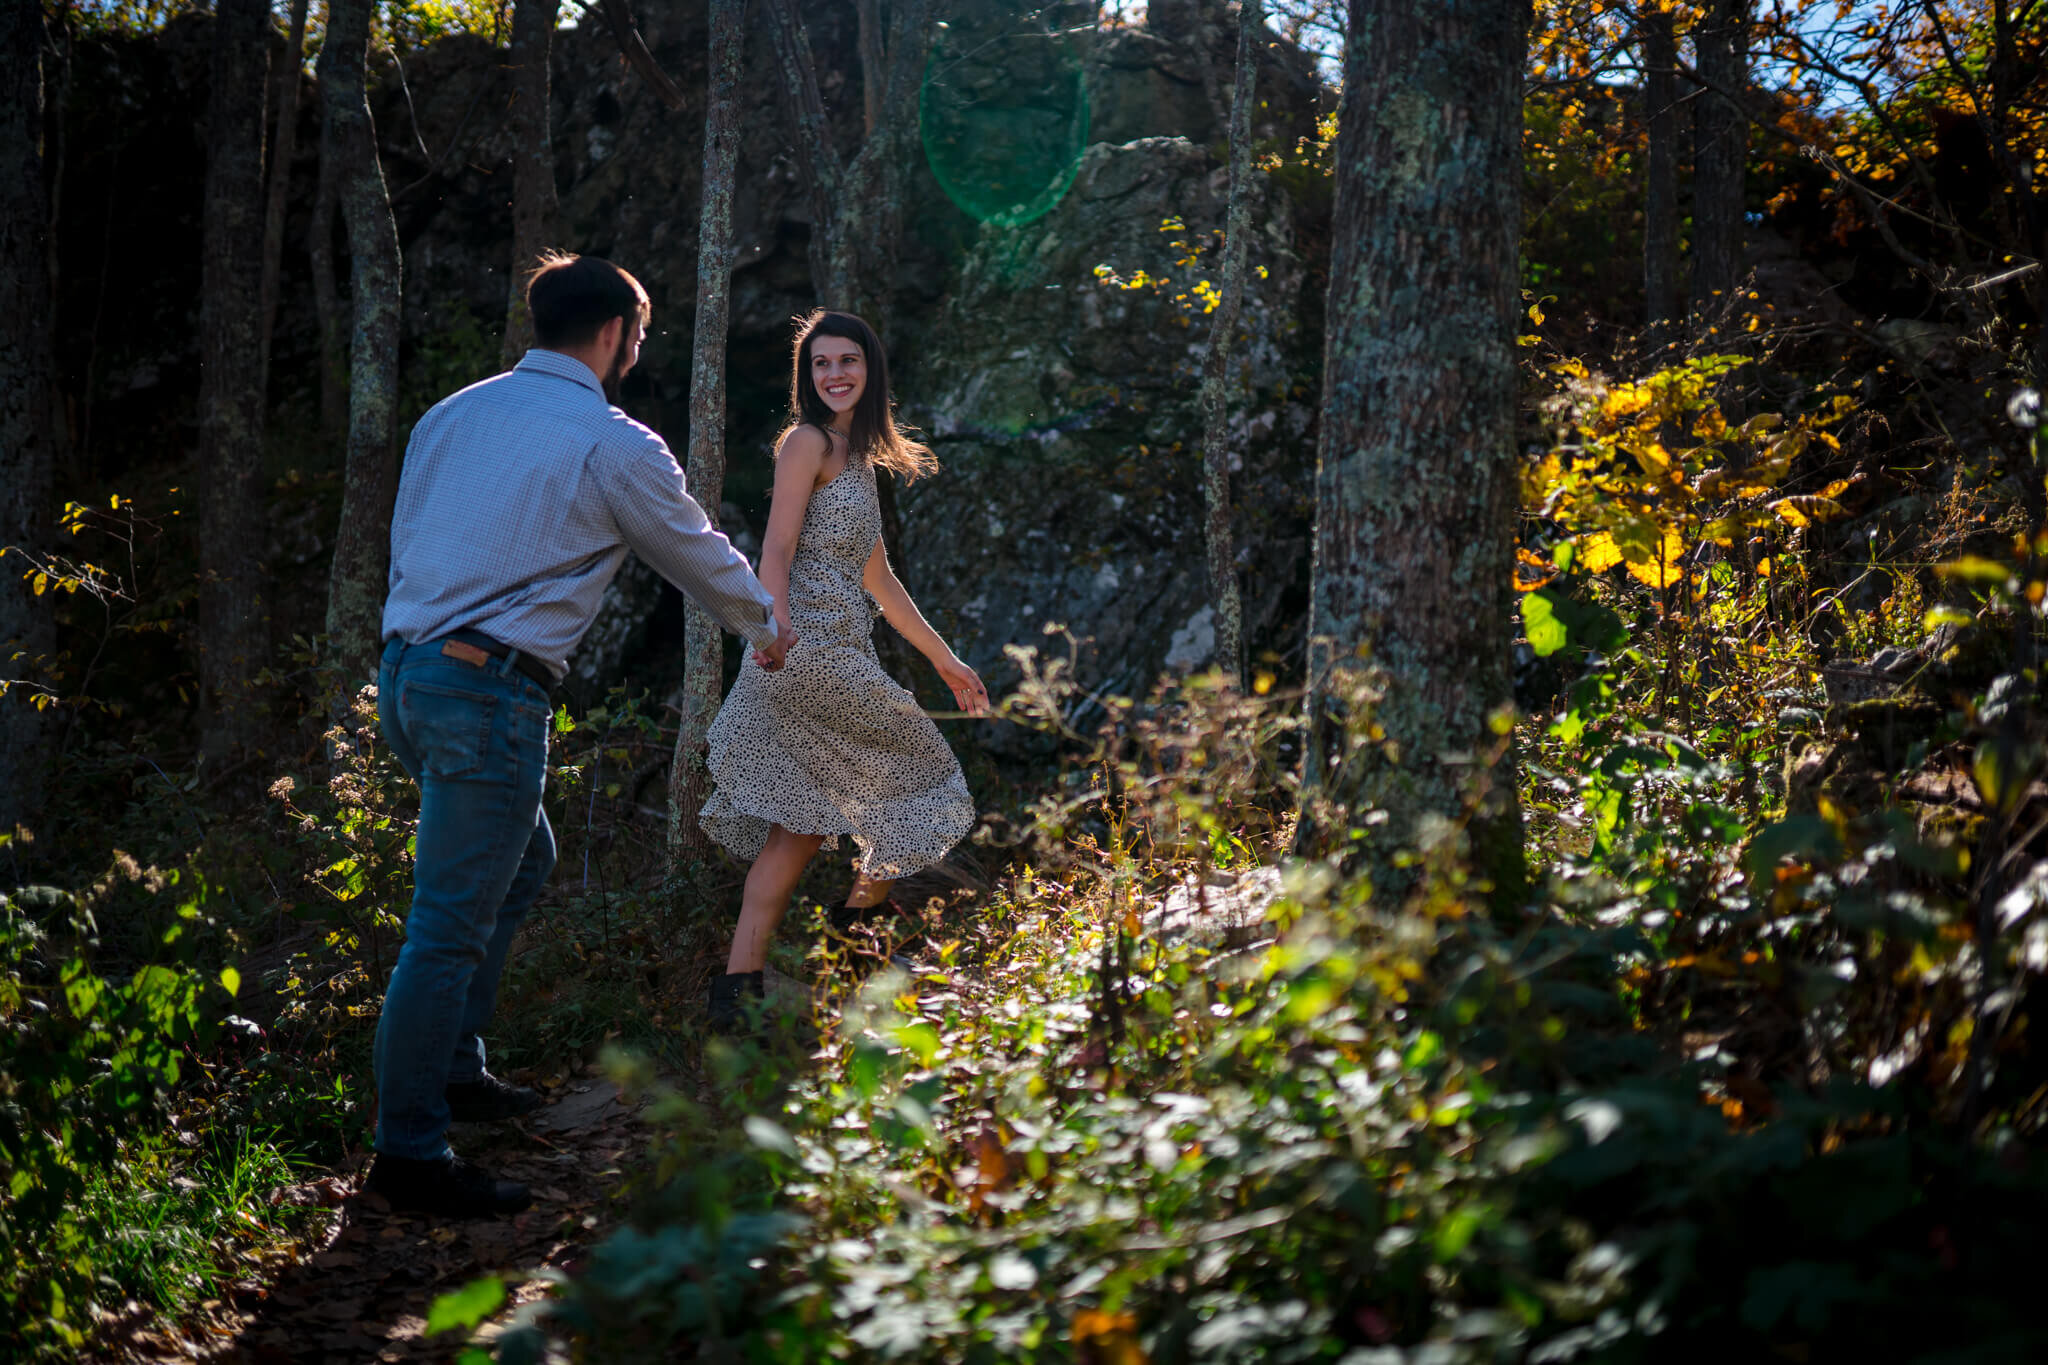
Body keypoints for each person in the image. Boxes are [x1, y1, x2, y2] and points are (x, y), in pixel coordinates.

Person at [367, 253, 794, 1217]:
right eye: (639, 336)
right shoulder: (613, 442)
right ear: (616, 335)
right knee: (442, 927)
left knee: (519, 862)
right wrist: (767, 627)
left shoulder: (452, 414)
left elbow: (414, 537)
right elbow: (692, 549)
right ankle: (410, 1151)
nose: (637, 351)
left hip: (409, 676)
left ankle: (457, 1074)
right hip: (486, 693)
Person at [698, 310, 988, 1032]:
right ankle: (853, 942)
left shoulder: (854, 458)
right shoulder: (806, 442)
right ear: (807, 375)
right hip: (805, 650)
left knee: (796, 829)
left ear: (870, 370)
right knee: (929, 778)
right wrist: (774, 622)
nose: (835, 374)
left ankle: (738, 995)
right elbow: (775, 547)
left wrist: (944, 658)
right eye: (821, 364)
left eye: (847, 362)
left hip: (833, 648)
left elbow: (879, 580)